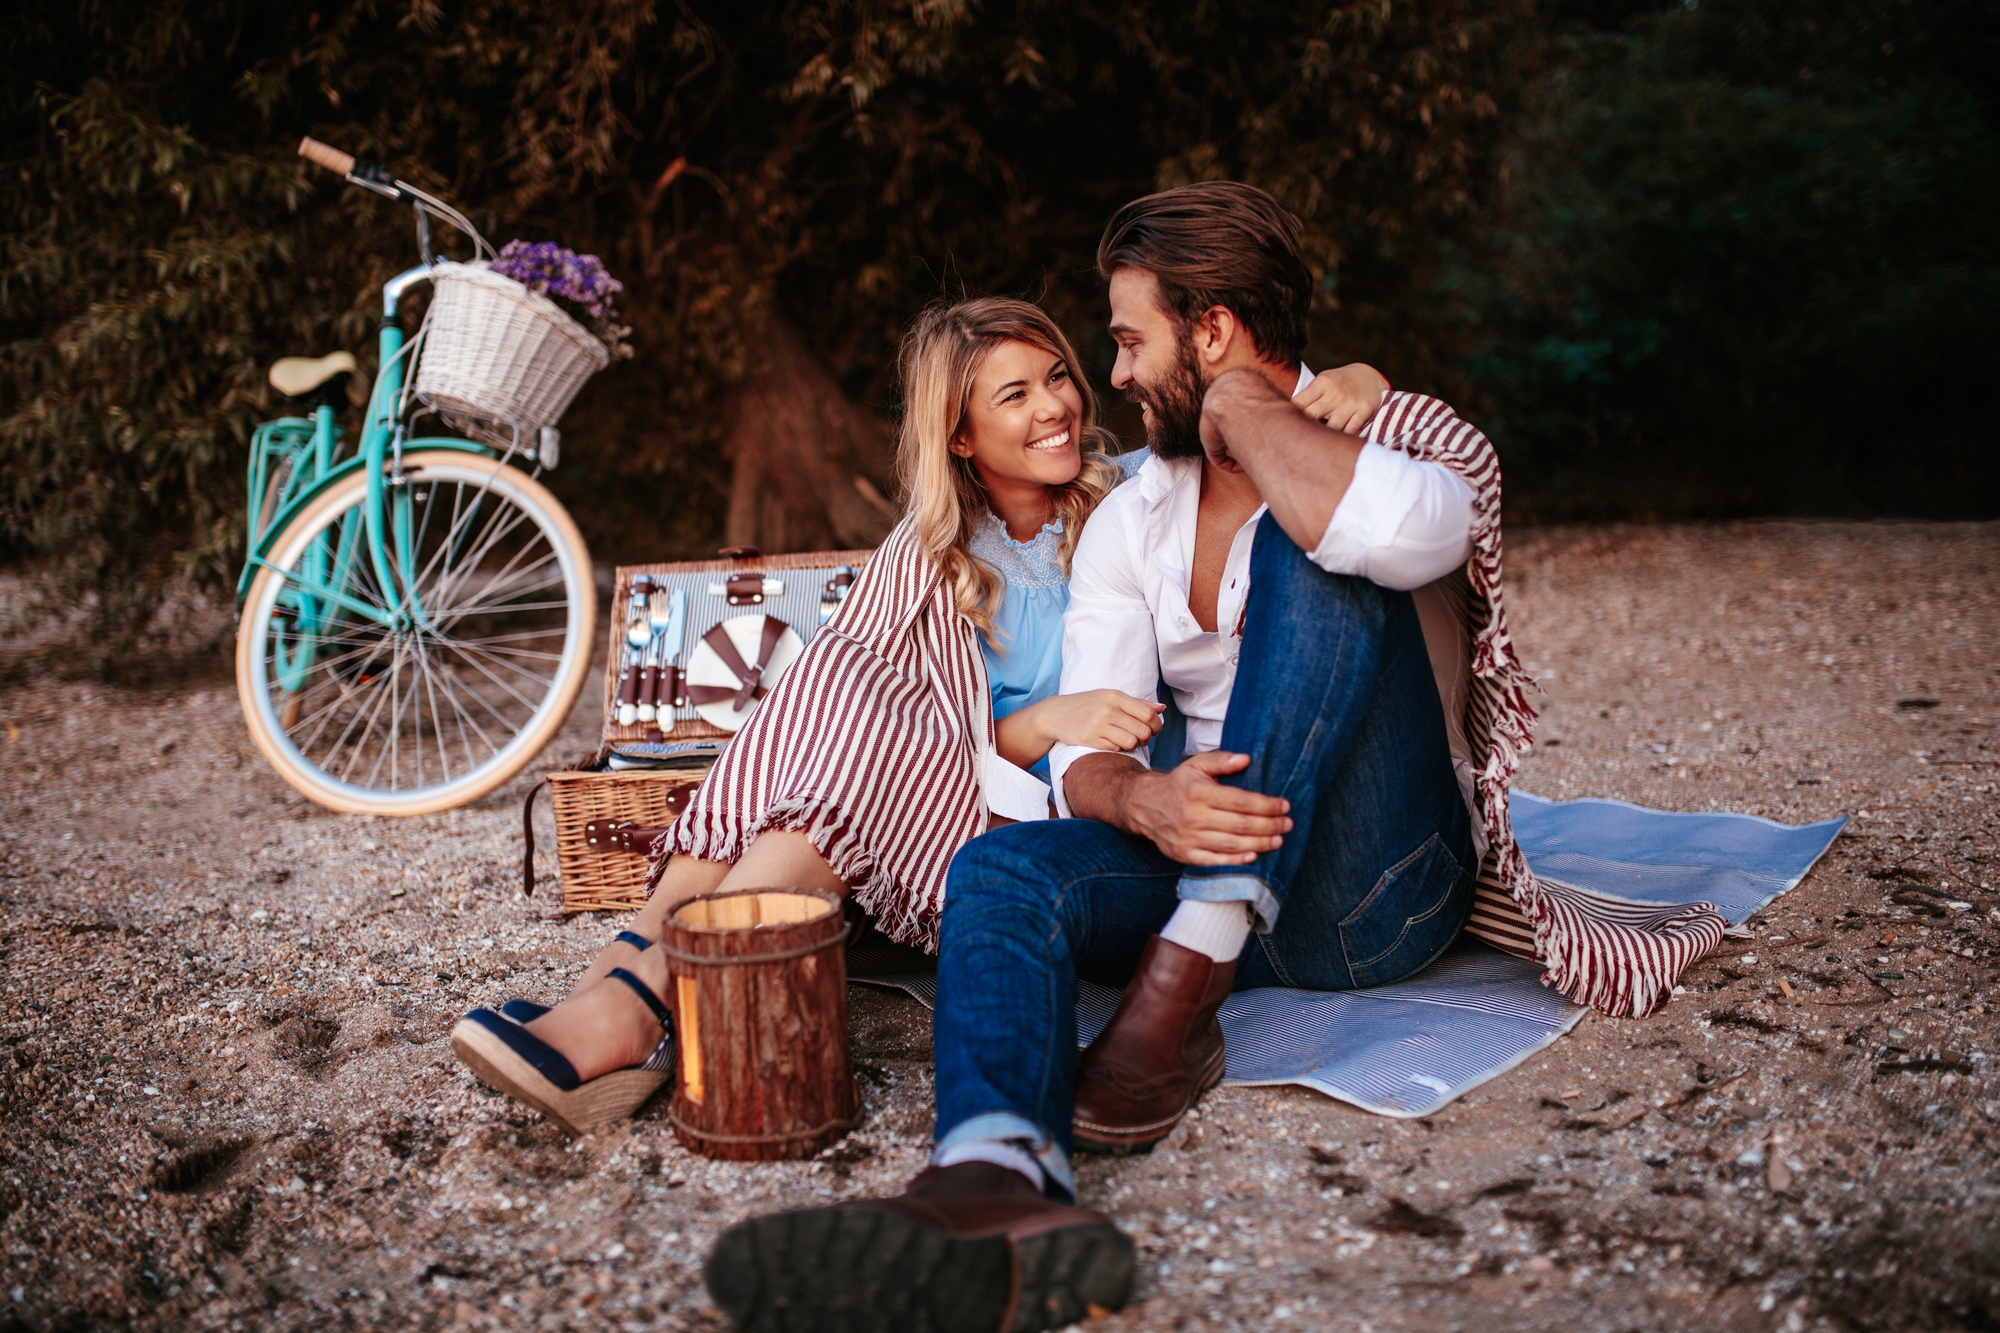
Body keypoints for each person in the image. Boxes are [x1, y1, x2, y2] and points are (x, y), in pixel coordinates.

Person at [702, 181, 1539, 1333]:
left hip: (1373, 888)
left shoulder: (1385, 444)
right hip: (1222, 845)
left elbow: (1408, 533)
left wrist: (1245, 409)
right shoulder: (1134, 514)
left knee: (1316, 548)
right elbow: (1081, 761)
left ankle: (1181, 983)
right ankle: (996, 1179)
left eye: (1130, 338)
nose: (1115, 372)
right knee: (998, 870)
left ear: (1212, 332)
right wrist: (1141, 798)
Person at [448, 295, 1390, 1137]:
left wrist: (1354, 379)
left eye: (1056, 375)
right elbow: (909, 725)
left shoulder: (1138, 490)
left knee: (844, 705)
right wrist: (1045, 717)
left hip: (1063, 816)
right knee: (836, 680)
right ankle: (629, 986)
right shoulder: (931, 553)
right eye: (1013, 395)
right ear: (961, 435)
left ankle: (631, 995)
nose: (1056, 404)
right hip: (932, 795)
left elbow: (1261, 425)